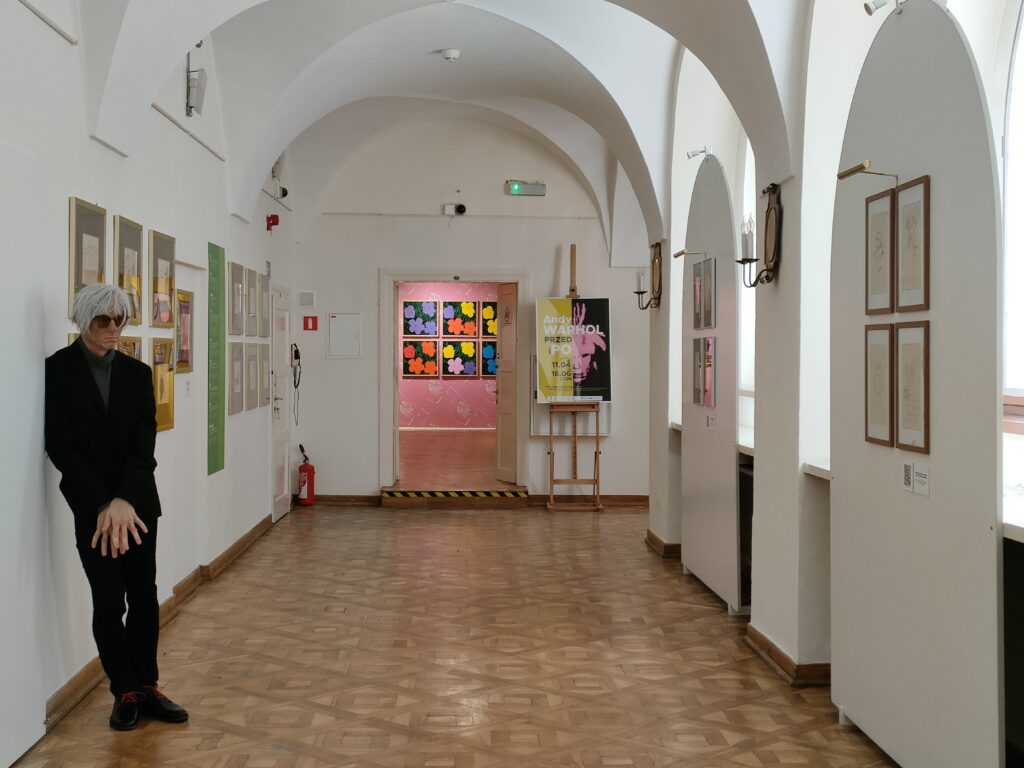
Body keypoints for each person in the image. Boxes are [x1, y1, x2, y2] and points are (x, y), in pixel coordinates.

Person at [45, 283, 188, 731]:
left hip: (139, 505)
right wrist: (104, 504)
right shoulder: (56, 371)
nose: (113, 329)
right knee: (108, 601)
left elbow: (144, 446)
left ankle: (148, 685)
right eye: (103, 320)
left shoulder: (137, 373)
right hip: (93, 509)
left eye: (119, 320)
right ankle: (125, 690)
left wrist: (124, 499)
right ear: (83, 321)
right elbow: (61, 446)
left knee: (144, 595)